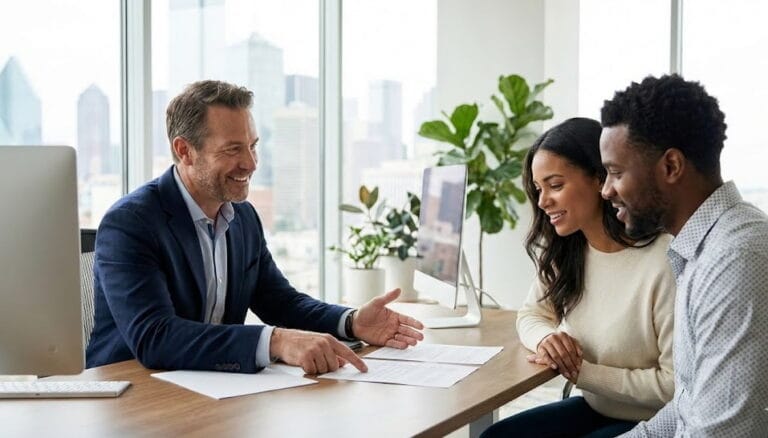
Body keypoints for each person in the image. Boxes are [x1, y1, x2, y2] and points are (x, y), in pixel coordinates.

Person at [86, 80, 424, 374]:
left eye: (253, 145)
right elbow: (154, 336)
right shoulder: (130, 223)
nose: (250, 163)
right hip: (135, 397)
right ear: (184, 151)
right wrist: (276, 341)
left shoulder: (242, 217)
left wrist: (351, 322)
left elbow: (280, 302)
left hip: (211, 390)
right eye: (233, 149)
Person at [482, 118, 676, 438]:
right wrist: (547, 339)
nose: (543, 201)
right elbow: (532, 313)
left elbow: (673, 384)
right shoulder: (570, 250)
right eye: (539, 189)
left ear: (600, 180)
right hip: (597, 407)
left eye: (555, 185)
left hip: (656, 422)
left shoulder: (663, 262)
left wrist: (582, 372)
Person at [598, 74, 768, 436]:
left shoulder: (734, 258)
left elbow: (719, 432)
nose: (606, 190)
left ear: (671, 166)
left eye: (615, 173)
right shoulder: (701, 249)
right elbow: (689, 404)